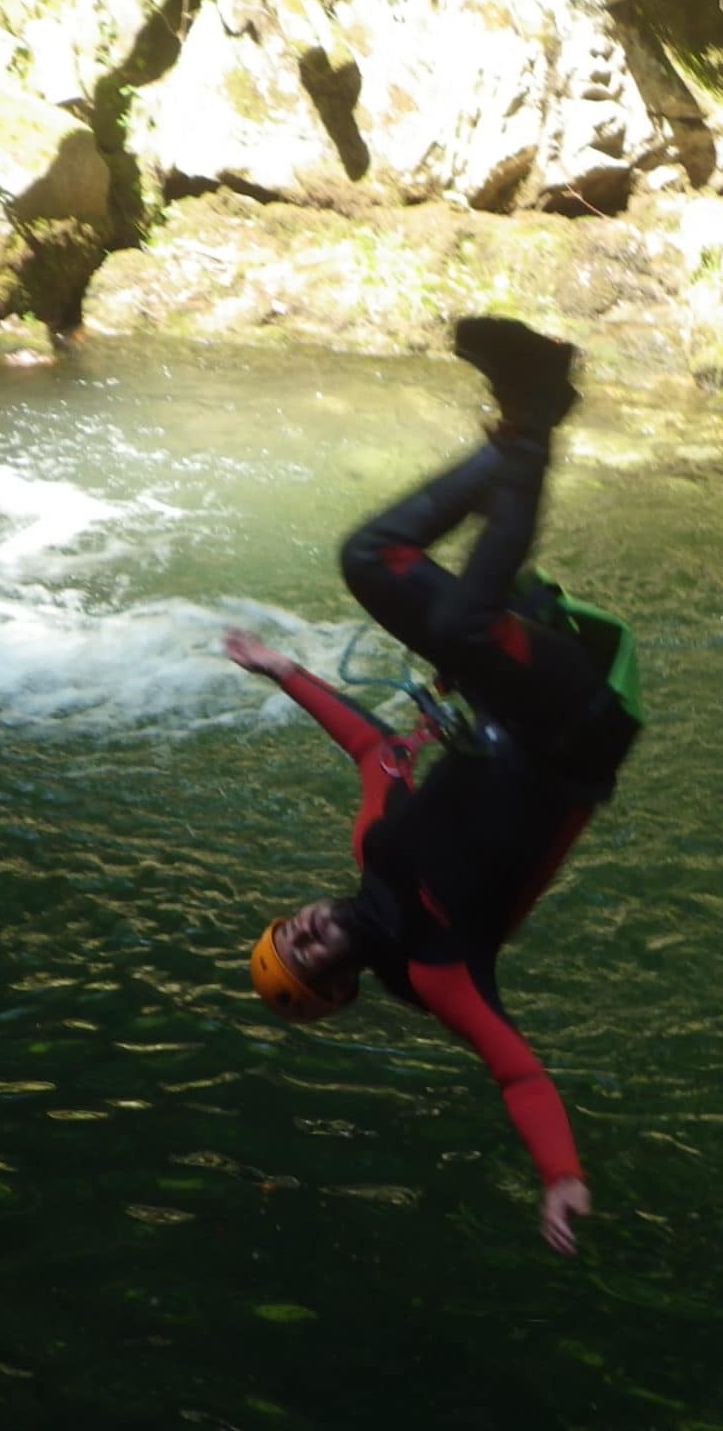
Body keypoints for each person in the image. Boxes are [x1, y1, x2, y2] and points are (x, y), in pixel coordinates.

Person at [222, 316, 644, 1256]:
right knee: (459, 628)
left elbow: (374, 751)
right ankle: (531, 421)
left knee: (367, 559)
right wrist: (560, 1176)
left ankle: (521, 426)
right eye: (309, 959)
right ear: (342, 987)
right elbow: (517, 1075)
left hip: (513, 699)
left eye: (291, 931)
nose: (308, 933)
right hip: (575, 728)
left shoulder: (374, 849)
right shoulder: (438, 971)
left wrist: (283, 671)